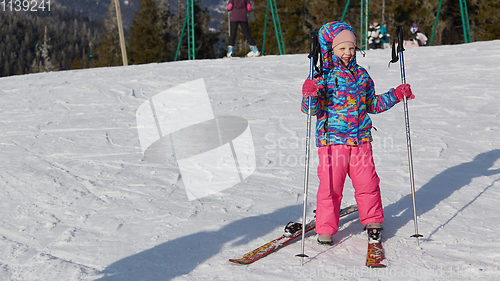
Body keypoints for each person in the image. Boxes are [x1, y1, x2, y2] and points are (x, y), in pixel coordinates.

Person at [301, 21, 415, 246]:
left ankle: (373, 220)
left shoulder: (362, 75)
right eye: (342, 48)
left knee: (368, 183)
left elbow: (372, 103)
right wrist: (309, 95)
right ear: (331, 49)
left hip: (361, 140)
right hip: (332, 141)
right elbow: (311, 110)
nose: (347, 53)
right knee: (330, 187)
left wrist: (395, 94)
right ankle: (325, 228)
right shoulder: (322, 77)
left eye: (351, 48)